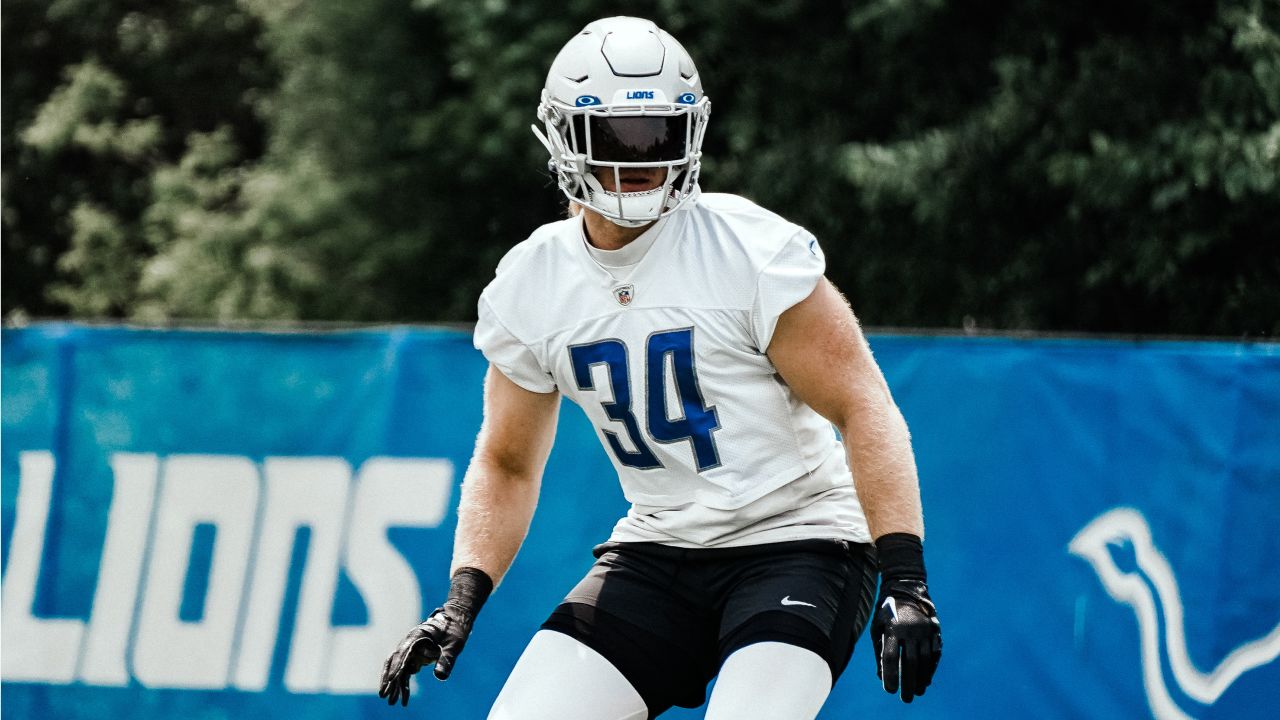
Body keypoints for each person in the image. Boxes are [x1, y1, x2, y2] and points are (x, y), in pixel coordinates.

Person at [379, 16, 942, 719]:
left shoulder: (748, 249)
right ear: (561, 136)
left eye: (660, 134)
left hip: (800, 541)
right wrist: (462, 599)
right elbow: (507, 462)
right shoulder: (533, 281)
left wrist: (906, 580)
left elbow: (864, 406)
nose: (640, 157)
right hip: (659, 547)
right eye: (615, 134)